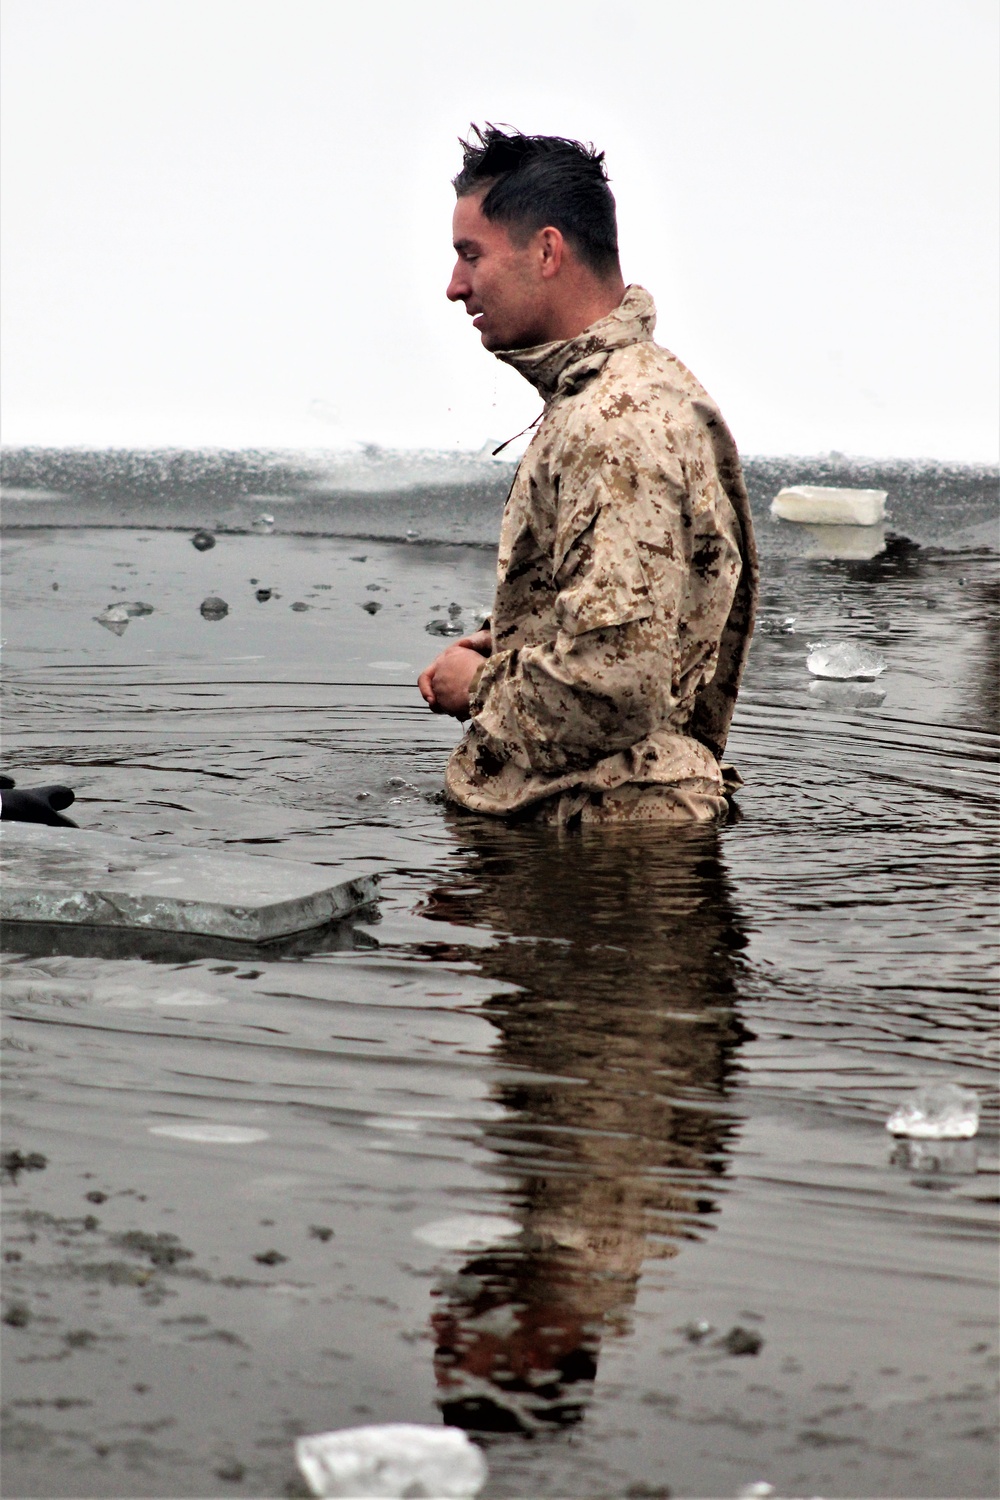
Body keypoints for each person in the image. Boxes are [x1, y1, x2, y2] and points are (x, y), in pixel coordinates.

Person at [418, 125, 758, 825]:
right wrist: (518, 638)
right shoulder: (618, 395)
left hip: (604, 845)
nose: (455, 286)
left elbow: (618, 684)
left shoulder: (615, 423)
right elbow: (649, 628)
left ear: (546, 251)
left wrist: (480, 686)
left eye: (470, 255)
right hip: (595, 827)